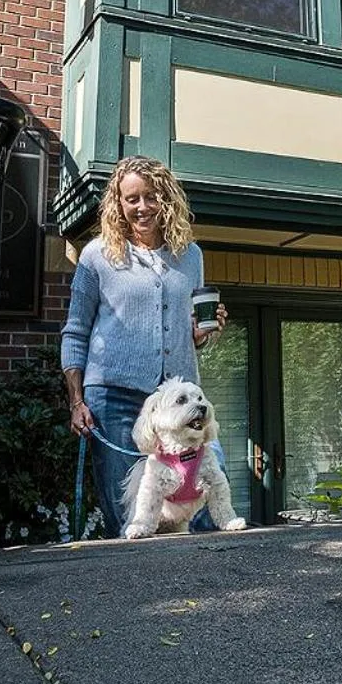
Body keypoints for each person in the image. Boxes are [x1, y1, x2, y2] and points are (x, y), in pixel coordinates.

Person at [61, 155, 229, 538]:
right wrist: (76, 400)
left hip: (178, 402)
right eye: (131, 198)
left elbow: (189, 330)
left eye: (151, 196)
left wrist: (201, 333)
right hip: (114, 400)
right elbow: (75, 331)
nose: (142, 207)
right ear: (118, 203)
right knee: (132, 518)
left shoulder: (190, 256)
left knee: (207, 500)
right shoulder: (97, 256)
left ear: (166, 199)